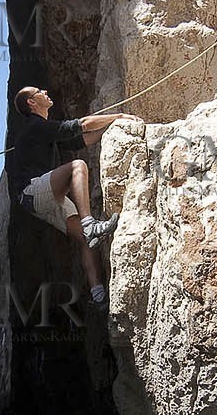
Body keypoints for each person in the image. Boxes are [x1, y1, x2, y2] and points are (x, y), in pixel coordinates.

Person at [8, 85, 142, 307]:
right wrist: (119, 115)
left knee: (84, 240)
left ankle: (97, 292)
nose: (45, 91)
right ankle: (89, 222)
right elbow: (81, 125)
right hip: (32, 191)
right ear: (32, 103)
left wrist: (111, 127)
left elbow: (81, 140)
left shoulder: (43, 130)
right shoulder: (35, 126)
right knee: (77, 166)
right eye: (38, 92)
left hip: (40, 199)